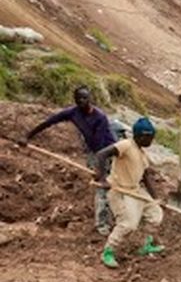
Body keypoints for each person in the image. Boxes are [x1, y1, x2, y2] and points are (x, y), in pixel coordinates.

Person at [18, 85, 117, 233]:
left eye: (85, 98)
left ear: (90, 99)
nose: (82, 101)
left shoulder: (100, 117)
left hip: (109, 150)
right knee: (101, 188)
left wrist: (99, 168)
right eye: (78, 98)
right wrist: (28, 136)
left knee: (111, 183)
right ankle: (102, 225)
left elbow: (100, 145)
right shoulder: (73, 112)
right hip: (93, 151)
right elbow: (49, 122)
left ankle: (116, 218)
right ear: (75, 100)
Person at [92, 118, 165, 269]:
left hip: (135, 190)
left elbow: (145, 177)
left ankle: (145, 245)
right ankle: (108, 252)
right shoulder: (126, 145)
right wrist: (102, 178)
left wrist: (156, 198)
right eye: (150, 138)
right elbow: (101, 154)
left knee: (155, 214)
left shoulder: (142, 153)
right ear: (141, 136)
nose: (151, 141)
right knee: (128, 224)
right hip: (120, 191)